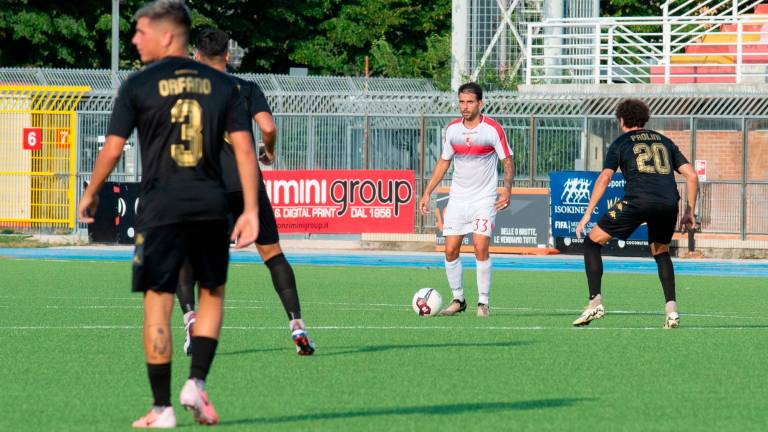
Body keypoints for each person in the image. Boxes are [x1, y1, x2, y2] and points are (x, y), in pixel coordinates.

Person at [77, 0, 260, 427]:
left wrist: (91, 191)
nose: (135, 39)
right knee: (212, 294)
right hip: (211, 206)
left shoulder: (139, 86)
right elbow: (246, 149)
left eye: (140, 32)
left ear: (166, 36)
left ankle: (161, 409)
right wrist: (250, 209)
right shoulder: (222, 86)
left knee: (157, 306)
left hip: (159, 209)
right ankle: (196, 382)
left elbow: (112, 147)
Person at [176, 27, 314, 356]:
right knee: (273, 255)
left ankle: (191, 320)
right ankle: (297, 324)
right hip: (248, 185)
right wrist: (269, 150)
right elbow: (268, 127)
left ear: (196, 55)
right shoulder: (247, 88)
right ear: (228, 55)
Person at [573, 98, 699, 329]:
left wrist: (588, 213)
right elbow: (691, 175)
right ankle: (671, 310)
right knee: (661, 252)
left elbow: (604, 178)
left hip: (638, 201)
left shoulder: (621, 142)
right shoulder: (664, 141)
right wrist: (690, 211)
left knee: (592, 243)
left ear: (621, 120)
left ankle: (595, 302)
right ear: (645, 119)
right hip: (669, 203)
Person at [419, 82, 514, 317]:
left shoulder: (492, 129)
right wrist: (428, 191)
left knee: (480, 246)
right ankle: (458, 299)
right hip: (458, 199)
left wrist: (507, 189)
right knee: (450, 250)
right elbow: (444, 162)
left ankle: (483, 302)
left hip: (483, 198)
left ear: (480, 103)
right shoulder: (452, 130)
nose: (465, 106)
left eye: (470, 102)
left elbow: (508, 161)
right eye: (461, 102)